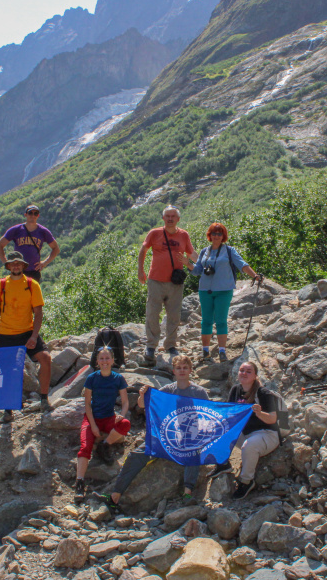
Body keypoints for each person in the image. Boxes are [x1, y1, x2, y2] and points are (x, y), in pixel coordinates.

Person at [99, 355, 209, 512]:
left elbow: (209, 415)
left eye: (185, 368)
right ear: (173, 371)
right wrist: (143, 395)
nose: (182, 371)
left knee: (193, 449)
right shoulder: (168, 390)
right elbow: (142, 405)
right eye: (179, 368)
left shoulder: (199, 392)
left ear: (190, 370)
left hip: (189, 436)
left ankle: (187, 493)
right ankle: (115, 496)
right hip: (166, 436)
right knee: (135, 455)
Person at [0, 251, 54, 418]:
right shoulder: (0, 285)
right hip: (5, 334)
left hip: (27, 332)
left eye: (18, 263)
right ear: (8, 266)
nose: (15, 266)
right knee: (7, 371)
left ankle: (44, 399)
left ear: (23, 266)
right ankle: (8, 410)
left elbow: (38, 312)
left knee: (45, 358)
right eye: (12, 263)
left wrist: (34, 336)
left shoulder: (32, 285)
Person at [187, 223, 263, 363]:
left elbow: (242, 264)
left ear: (223, 236)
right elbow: (197, 271)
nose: (216, 236)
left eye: (219, 234)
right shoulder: (205, 251)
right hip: (205, 290)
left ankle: (222, 351)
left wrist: (254, 275)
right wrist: (187, 263)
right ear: (210, 235)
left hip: (224, 290)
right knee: (206, 321)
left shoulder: (229, 250)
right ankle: (205, 351)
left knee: (221, 321)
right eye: (214, 233)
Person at [137, 205, 197, 365]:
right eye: (167, 216)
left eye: (173, 216)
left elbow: (192, 253)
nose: (170, 219)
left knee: (174, 315)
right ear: (163, 218)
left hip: (175, 282)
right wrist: (140, 271)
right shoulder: (154, 233)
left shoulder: (184, 235)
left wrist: (203, 265)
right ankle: (151, 346)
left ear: (178, 219)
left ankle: (170, 345)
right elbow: (143, 250)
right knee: (152, 313)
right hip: (155, 280)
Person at [210, 361, 279, 499]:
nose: (244, 373)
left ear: (255, 376)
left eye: (248, 371)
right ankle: (222, 463)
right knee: (217, 430)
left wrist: (259, 413)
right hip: (245, 433)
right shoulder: (236, 390)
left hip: (266, 434)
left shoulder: (263, 393)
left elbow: (273, 419)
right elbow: (230, 414)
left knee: (249, 446)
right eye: (242, 370)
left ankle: (246, 481)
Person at [75, 347, 130, 502]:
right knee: (85, 447)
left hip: (109, 417)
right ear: (97, 361)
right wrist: (93, 425)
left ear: (113, 360)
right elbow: (87, 404)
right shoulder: (92, 378)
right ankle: (79, 482)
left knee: (125, 424)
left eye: (107, 358)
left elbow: (125, 402)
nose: (105, 361)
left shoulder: (118, 378)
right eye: (102, 358)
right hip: (92, 417)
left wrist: (122, 415)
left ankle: (105, 445)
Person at [0, 204, 60, 282]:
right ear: (25, 215)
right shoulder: (16, 230)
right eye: (30, 213)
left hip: (34, 271)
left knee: (32, 293)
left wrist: (45, 263)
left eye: (35, 213)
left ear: (38, 215)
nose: (33, 215)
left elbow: (56, 248)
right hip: (18, 270)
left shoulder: (43, 231)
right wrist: (6, 263)